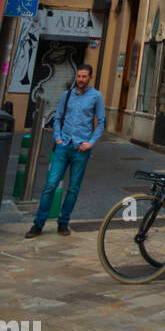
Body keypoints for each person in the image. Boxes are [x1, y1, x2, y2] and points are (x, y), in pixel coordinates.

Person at [26, 64, 105, 238]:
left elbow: (101, 122)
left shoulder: (96, 96)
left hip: (81, 149)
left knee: (73, 189)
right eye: (78, 76)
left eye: (84, 77)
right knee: (50, 185)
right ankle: (38, 224)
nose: (80, 80)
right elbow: (58, 118)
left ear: (90, 78)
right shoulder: (67, 95)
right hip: (64, 146)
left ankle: (63, 223)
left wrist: (90, 142)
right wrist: (58, 139)